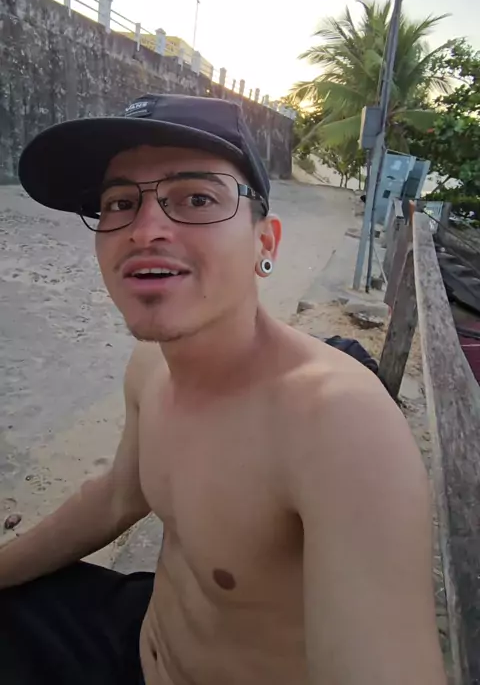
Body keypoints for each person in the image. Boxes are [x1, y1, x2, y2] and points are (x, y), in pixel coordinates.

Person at [0, 94, 446, 685]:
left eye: (197, 198)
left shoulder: (340, 427)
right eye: (120, 203)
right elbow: (116, 497)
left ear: (266, 243)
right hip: (135, 633)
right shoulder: (151, 366)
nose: (144, 230)